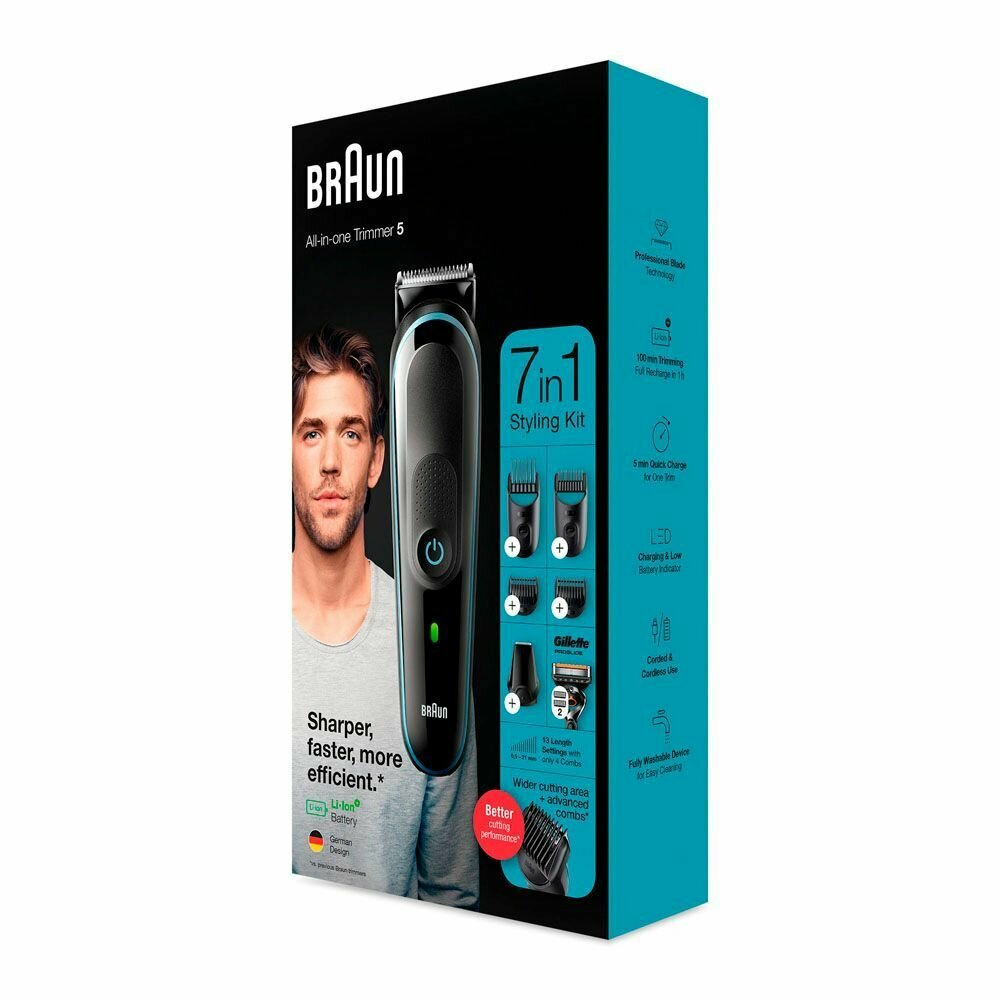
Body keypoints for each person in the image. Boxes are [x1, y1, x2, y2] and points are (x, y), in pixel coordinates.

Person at [291, 324, 479, 906]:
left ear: (376, 460)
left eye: (350, 434)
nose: (329, 463)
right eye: (311, 433)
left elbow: (453, 891)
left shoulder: (430, 650)